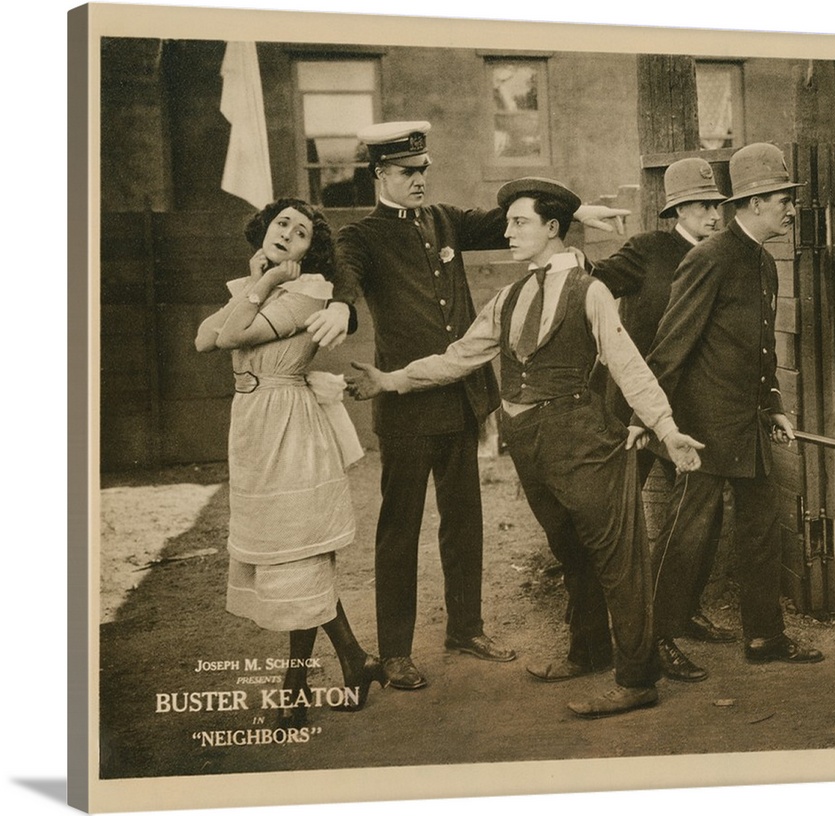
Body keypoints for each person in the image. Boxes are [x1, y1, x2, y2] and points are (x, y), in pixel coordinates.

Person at [345, 177, 706, 719]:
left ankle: (637, 678)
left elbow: (628, 364)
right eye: (508, 223)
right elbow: (460, 356)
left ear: (553, 228)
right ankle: (588, 649)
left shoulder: (590, 290)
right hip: (532, 448)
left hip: (584, 442)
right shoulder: (508, 297)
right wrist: (390, 381)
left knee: (618, 559)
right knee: (571, 551)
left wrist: (665, 426)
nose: (507, 233)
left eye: (520, 223)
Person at [305, 122, 636, 691]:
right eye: (408, 173)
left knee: (464, 521)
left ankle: (466, 628)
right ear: (380, 174)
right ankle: (396, 652)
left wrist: (580, 213)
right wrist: (341, 308)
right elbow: (347, 275)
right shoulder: (362, 235)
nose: (419, 181)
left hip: (461, 398)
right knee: (400, 526)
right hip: (408, 408)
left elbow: (505, 217)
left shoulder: (443, 221)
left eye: (423, 171)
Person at [194, 198, 386, 723]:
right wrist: (257, 279)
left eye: (301, 233)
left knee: (298, 553)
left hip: (290, 425)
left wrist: (262, 282)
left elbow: (232, 335)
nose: (287, 233)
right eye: (281, 223)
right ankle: (349, 660)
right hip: (255, 426)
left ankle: (300, 681)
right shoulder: (263, 289)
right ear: (265, 228)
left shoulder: (308, 294)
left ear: (308, 252)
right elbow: (202, 339)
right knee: (289, 554)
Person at [642, 143, 825, 666]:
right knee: (687, 536)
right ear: (752, 203)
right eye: (782, 199)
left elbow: (761, 350)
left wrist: (775, 408)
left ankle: (765, 638)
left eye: (789, 199)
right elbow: (671, 344)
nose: (790, 209)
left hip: (749, 426)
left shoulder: (765, 263)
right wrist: (647, 419)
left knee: (761, 531)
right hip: (704, 429)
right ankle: (651, 642)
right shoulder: (708, 258)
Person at [590, 157, 735, 684]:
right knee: (622, 522)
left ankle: (679, 617)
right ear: (677, 208)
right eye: (702, 206)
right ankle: (638, 636)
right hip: (634, 412)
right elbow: (589, 287)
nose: (714, 216)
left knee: (696, 522)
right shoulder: (648, 252)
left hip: (691, 413)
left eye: (718, 205)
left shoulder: (726, 255)